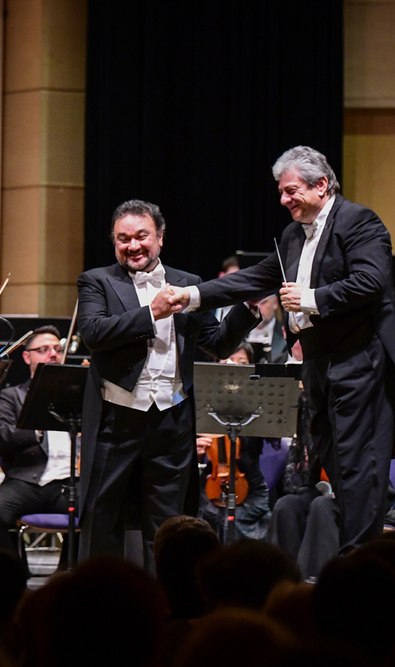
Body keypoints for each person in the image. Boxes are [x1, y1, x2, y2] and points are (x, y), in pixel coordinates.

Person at [167, 145, 395, 553]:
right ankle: (353, 562)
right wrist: (191, 295)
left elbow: (372, 282)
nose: (283, 200)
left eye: (291, 190)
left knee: (359, 469)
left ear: (322, 185)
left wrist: (310, 298)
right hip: (320, 363)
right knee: (338, 464)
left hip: (360, 360)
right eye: (281, 192)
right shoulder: (294, 235)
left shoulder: (359, 221)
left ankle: (363, 566)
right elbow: (252, 279)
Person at [77, 199, 259, 567]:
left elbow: (218, 342)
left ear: (159, 237)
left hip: (171, 423)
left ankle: (169, 610)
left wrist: (248, 306)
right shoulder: (97, 281)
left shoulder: (189, 284)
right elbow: (93, 333)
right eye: (123, 239)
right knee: (102, 521)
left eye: (141, 236)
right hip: (117, 419)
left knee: (168, 527)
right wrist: (152, 313)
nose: (133, 246)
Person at [0, 326, 76, 554]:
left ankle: (67, 577)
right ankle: (15, 575)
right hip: (26, 481)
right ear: (26, 356)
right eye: (43, 349)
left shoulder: (77, 393)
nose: (53, 354)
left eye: (57, 349)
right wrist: (36, 431)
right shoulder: (13, 396)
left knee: (102, 511)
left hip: (70, 480)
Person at [195, 343, 272, 541]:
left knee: (238, 524)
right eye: (227, 361)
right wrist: (194, 451)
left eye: (242, 363)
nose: (234, 368)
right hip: (210, 486)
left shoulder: (258, 404)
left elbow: (274, 436)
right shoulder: (203, 402)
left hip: (250, 487)